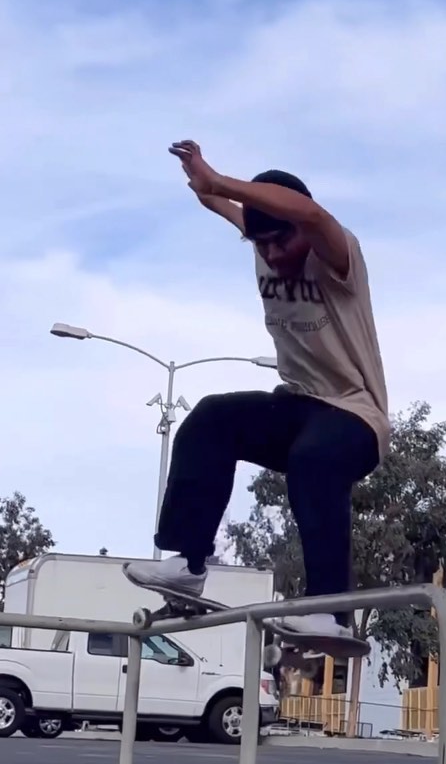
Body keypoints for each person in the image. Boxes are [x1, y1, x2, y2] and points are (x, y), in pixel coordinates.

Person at [125, 141, 389, 644]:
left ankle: (330, 610)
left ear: (301, 232)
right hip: (297, 406)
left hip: (355, 417)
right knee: (210, 419)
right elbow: (222, 206)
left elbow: (309, 213)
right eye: (259, 245)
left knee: (314, 459)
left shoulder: (337, 254)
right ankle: (189, 563)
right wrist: (204, 187)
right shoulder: (265, 241)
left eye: (280, 244)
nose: (271, 256)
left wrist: (221, 180)